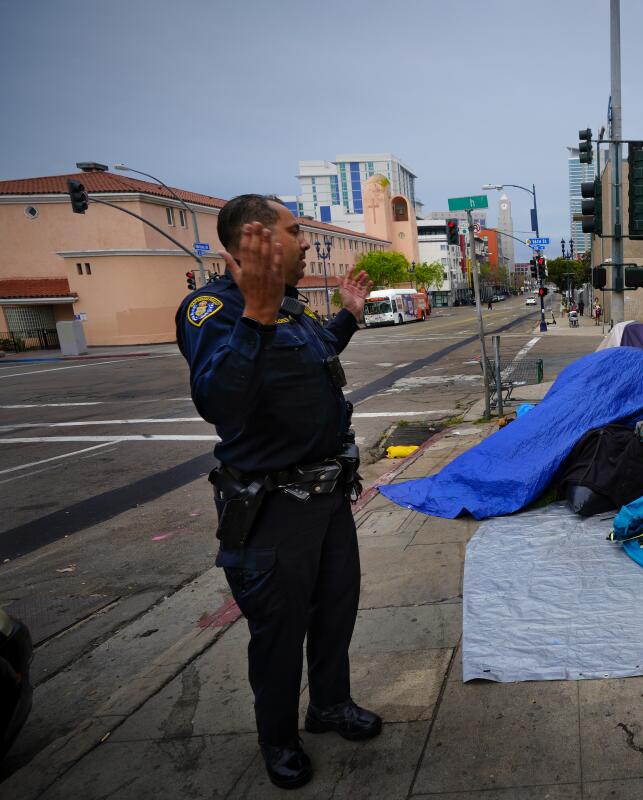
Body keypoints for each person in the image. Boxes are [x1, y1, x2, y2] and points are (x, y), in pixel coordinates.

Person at [176, 195, 379, 790]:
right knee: (279, 633)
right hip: (271, 510)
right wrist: (256, 319)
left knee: (336, 612)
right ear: (257, 239)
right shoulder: (213, 310)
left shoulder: (290, 307)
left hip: (327, 498)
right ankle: (279, 740)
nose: (308, 242)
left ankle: (329, 706)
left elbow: (312, 360)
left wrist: (348, 315)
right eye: (296, 232)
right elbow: (220, 403)